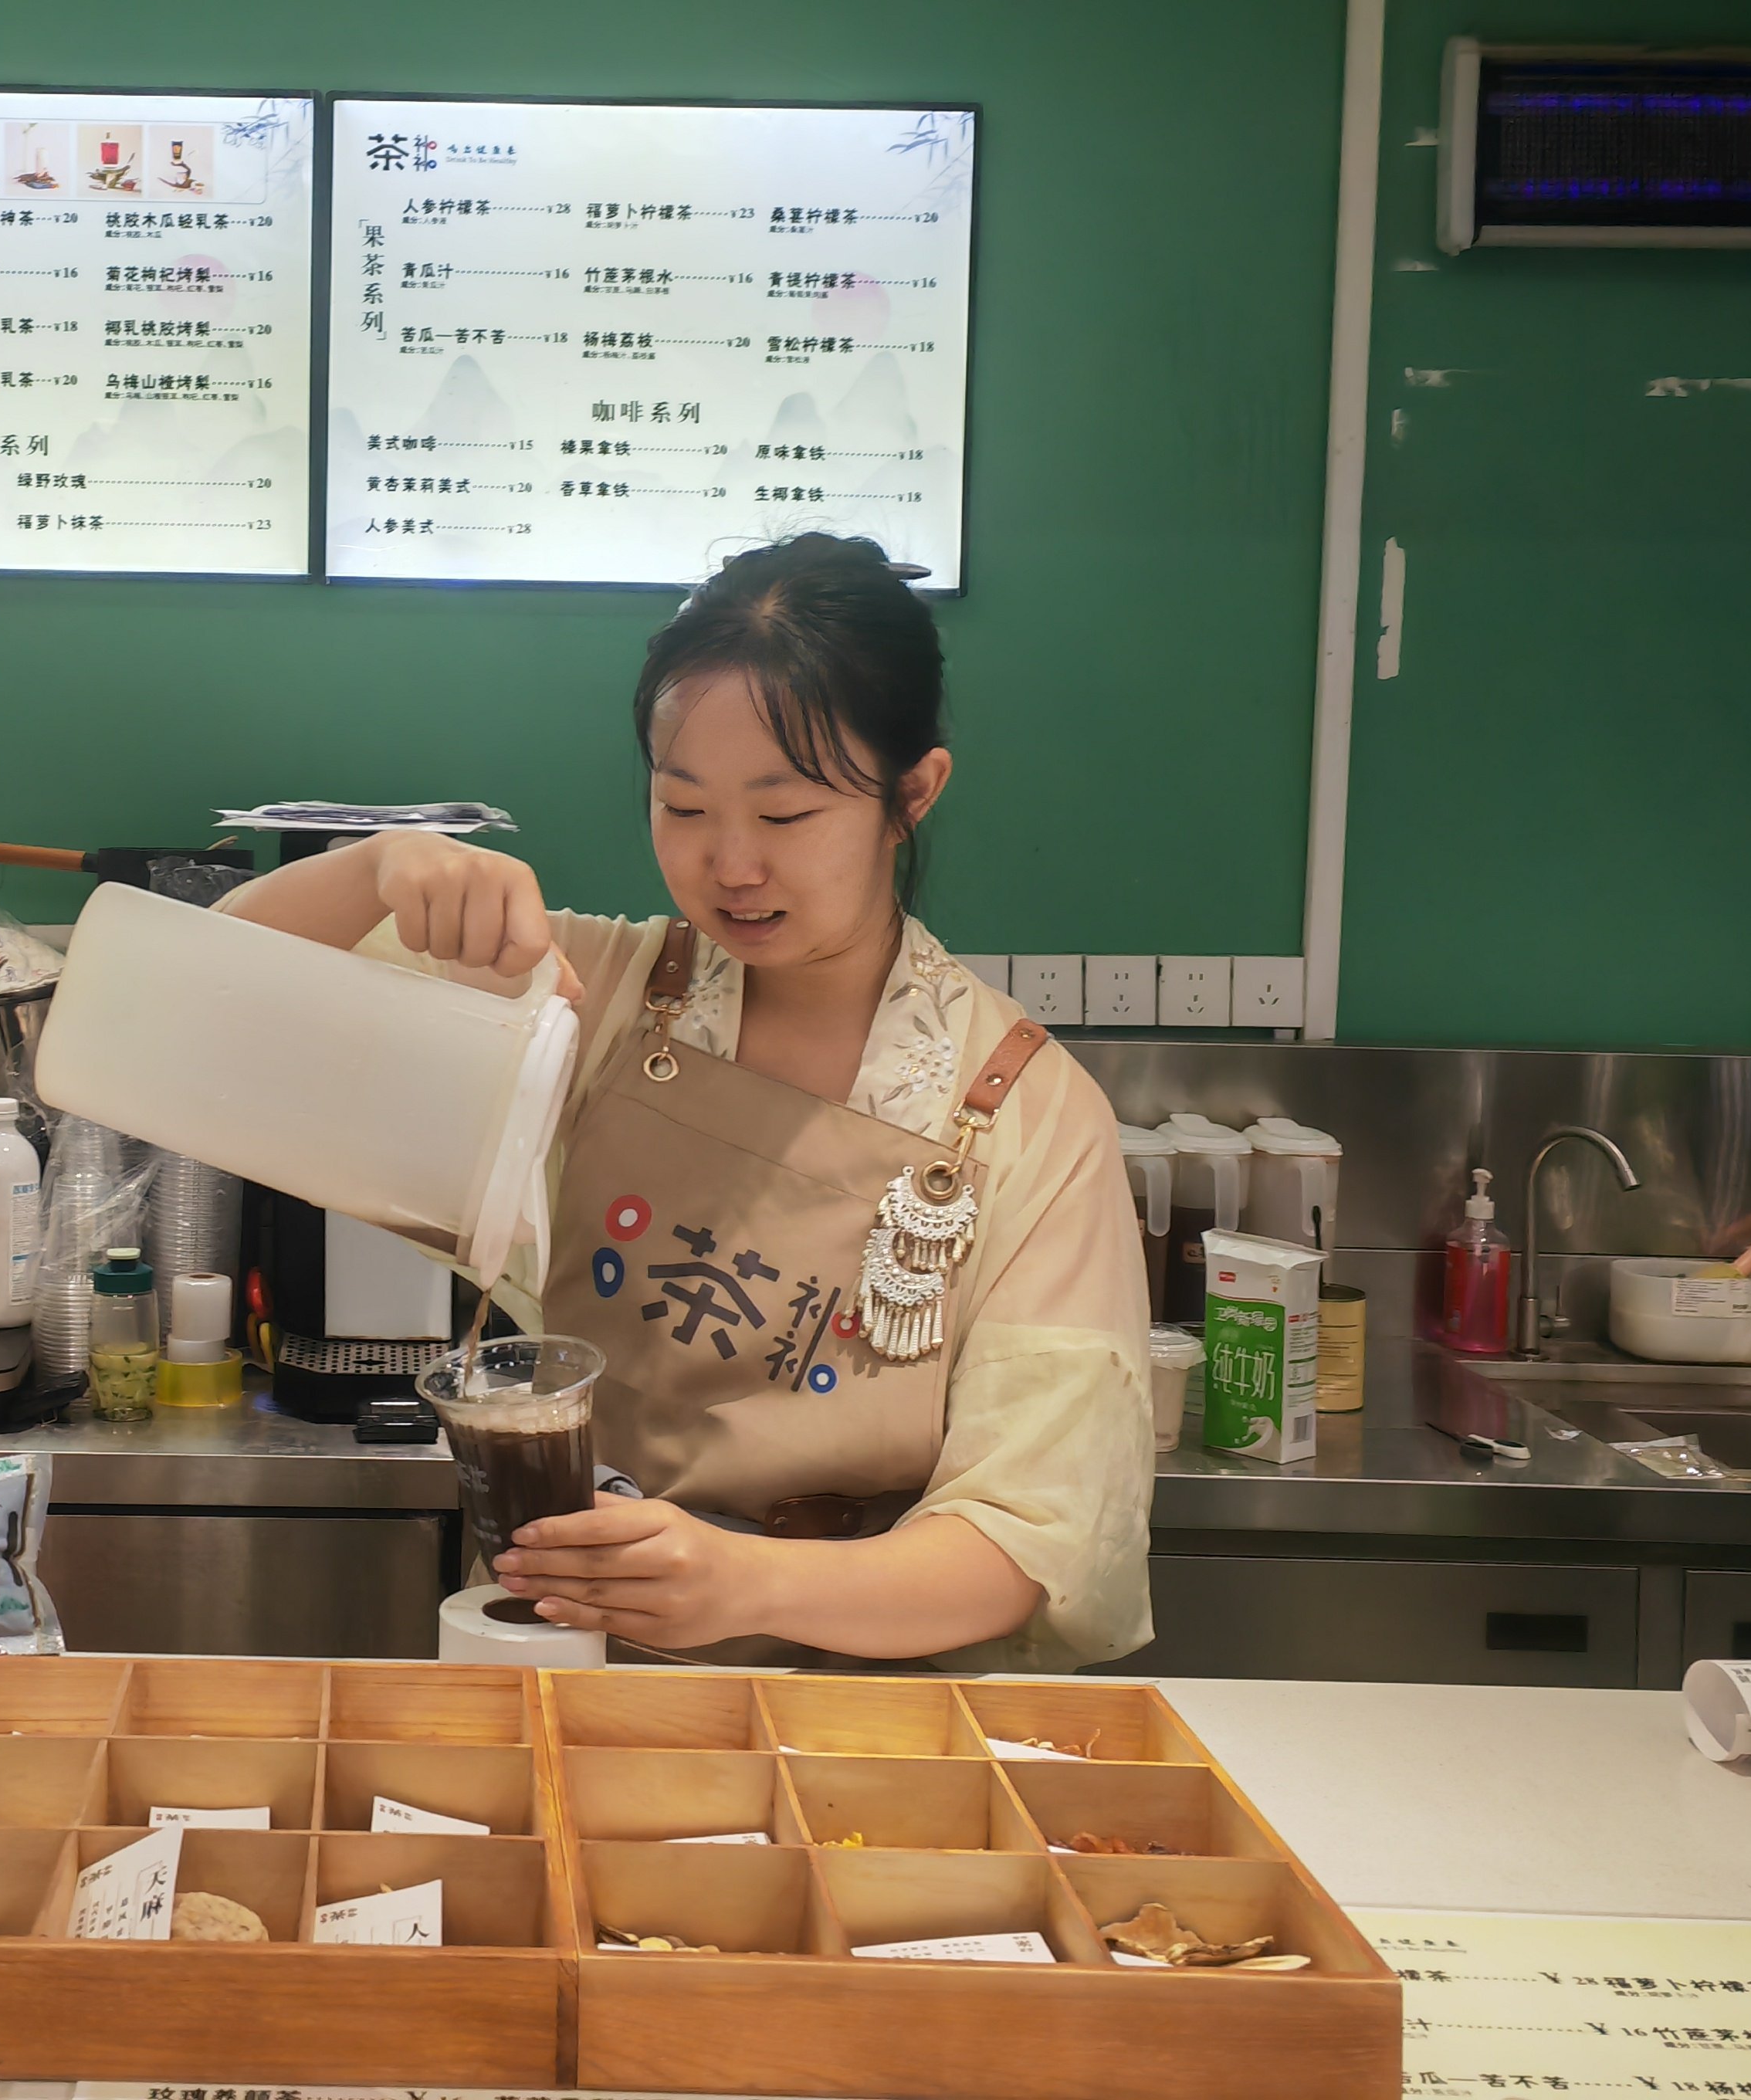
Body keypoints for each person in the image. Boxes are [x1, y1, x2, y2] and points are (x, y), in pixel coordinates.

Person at [227, 533, 1151, 1669]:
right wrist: (374, 866)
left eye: (787, 815)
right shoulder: (587, 997)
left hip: (863, 1721)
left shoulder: (1026, 1113)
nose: (730, 866)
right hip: (566, 1659)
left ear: (913, 793)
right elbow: (186, 1015)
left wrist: (745, 1580)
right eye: (683, 807)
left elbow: (1022, 1539)